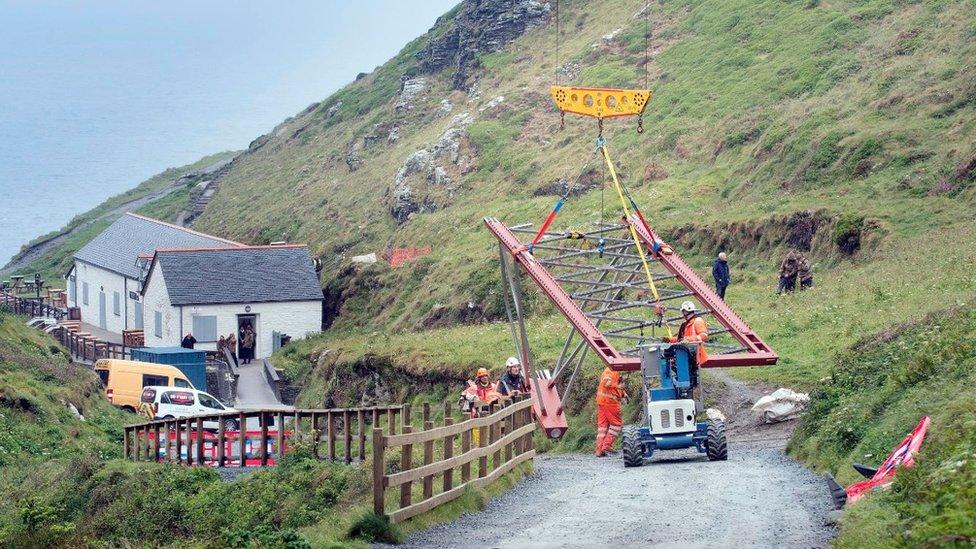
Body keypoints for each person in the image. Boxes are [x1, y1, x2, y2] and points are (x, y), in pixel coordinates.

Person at [666, 301, 709, 365]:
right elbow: (680, 339)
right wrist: (669, 340)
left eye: (683, 311)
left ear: (686, 311)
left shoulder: (697, 321)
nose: (683, 314)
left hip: (695, 354)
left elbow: (704, 336)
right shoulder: (686, 324)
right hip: (688, 353)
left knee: (691, 374)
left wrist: (688, 340)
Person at [595, 366, 626, 457]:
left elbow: (611, 386)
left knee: (602, 427)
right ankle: (607, 446)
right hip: (610, 403)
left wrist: (623, 393)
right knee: (616, 424)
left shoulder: (611, 371)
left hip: (602, 402)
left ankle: (599, 450)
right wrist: (619, 386)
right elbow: (607, 384)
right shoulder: (611, 371)